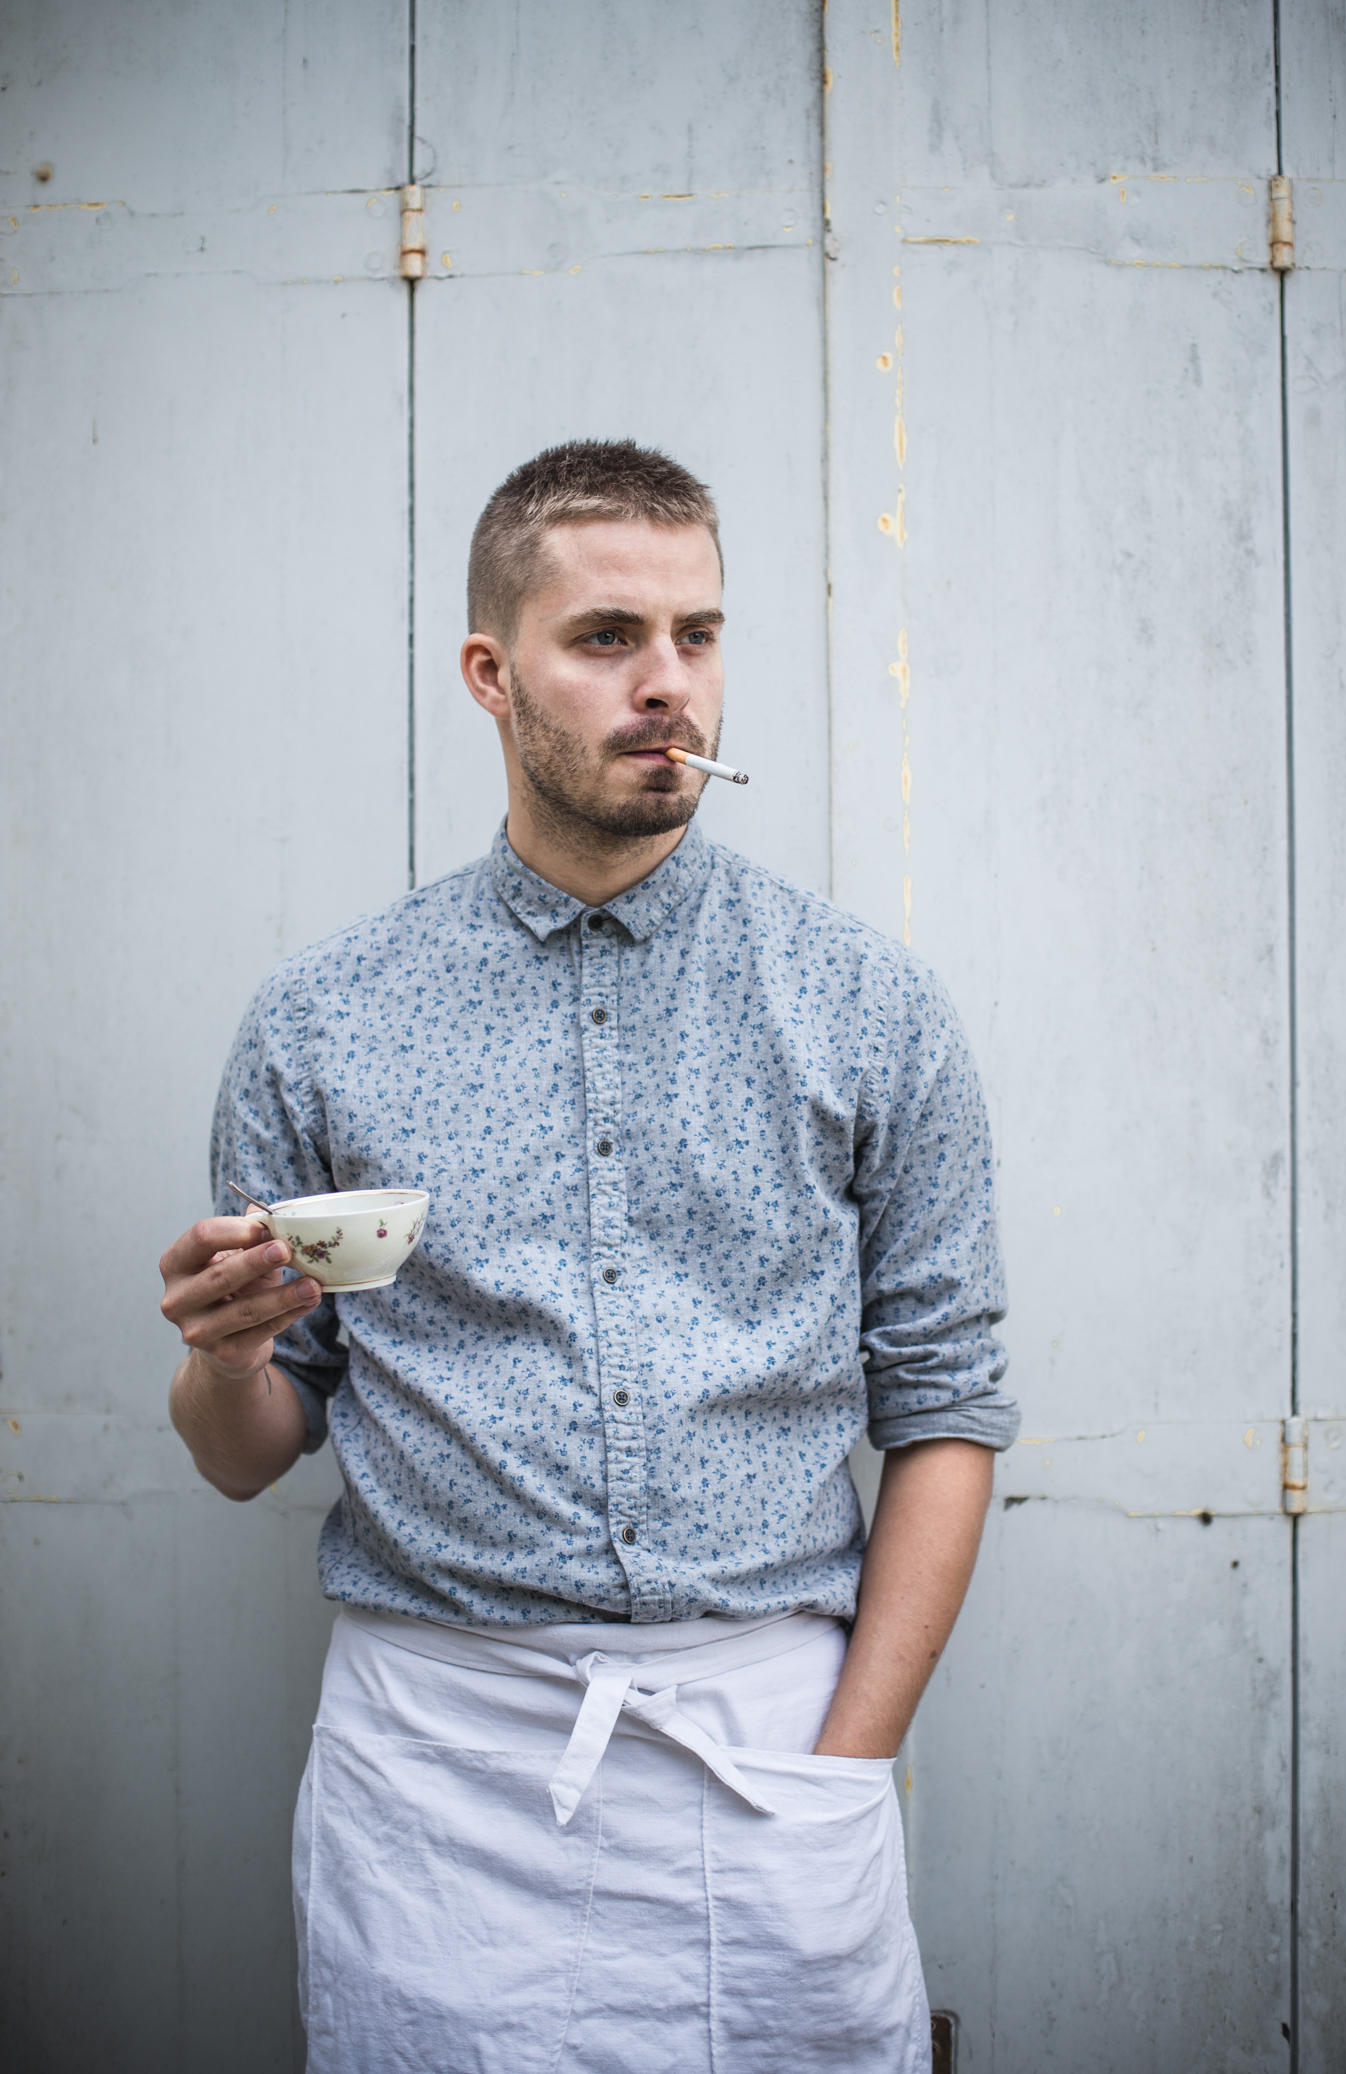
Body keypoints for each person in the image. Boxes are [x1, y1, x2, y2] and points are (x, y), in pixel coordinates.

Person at [160, 439, 1018, 2073]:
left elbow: (949, 1410)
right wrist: (223, 1358)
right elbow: (243, 1455)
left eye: (698, 635)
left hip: (772, 1746)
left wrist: (847, 1768)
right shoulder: (324, 1020)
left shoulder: (867, 1005)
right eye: (609, 636)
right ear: (493, 672)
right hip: (433, 1774)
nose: (668, 685)